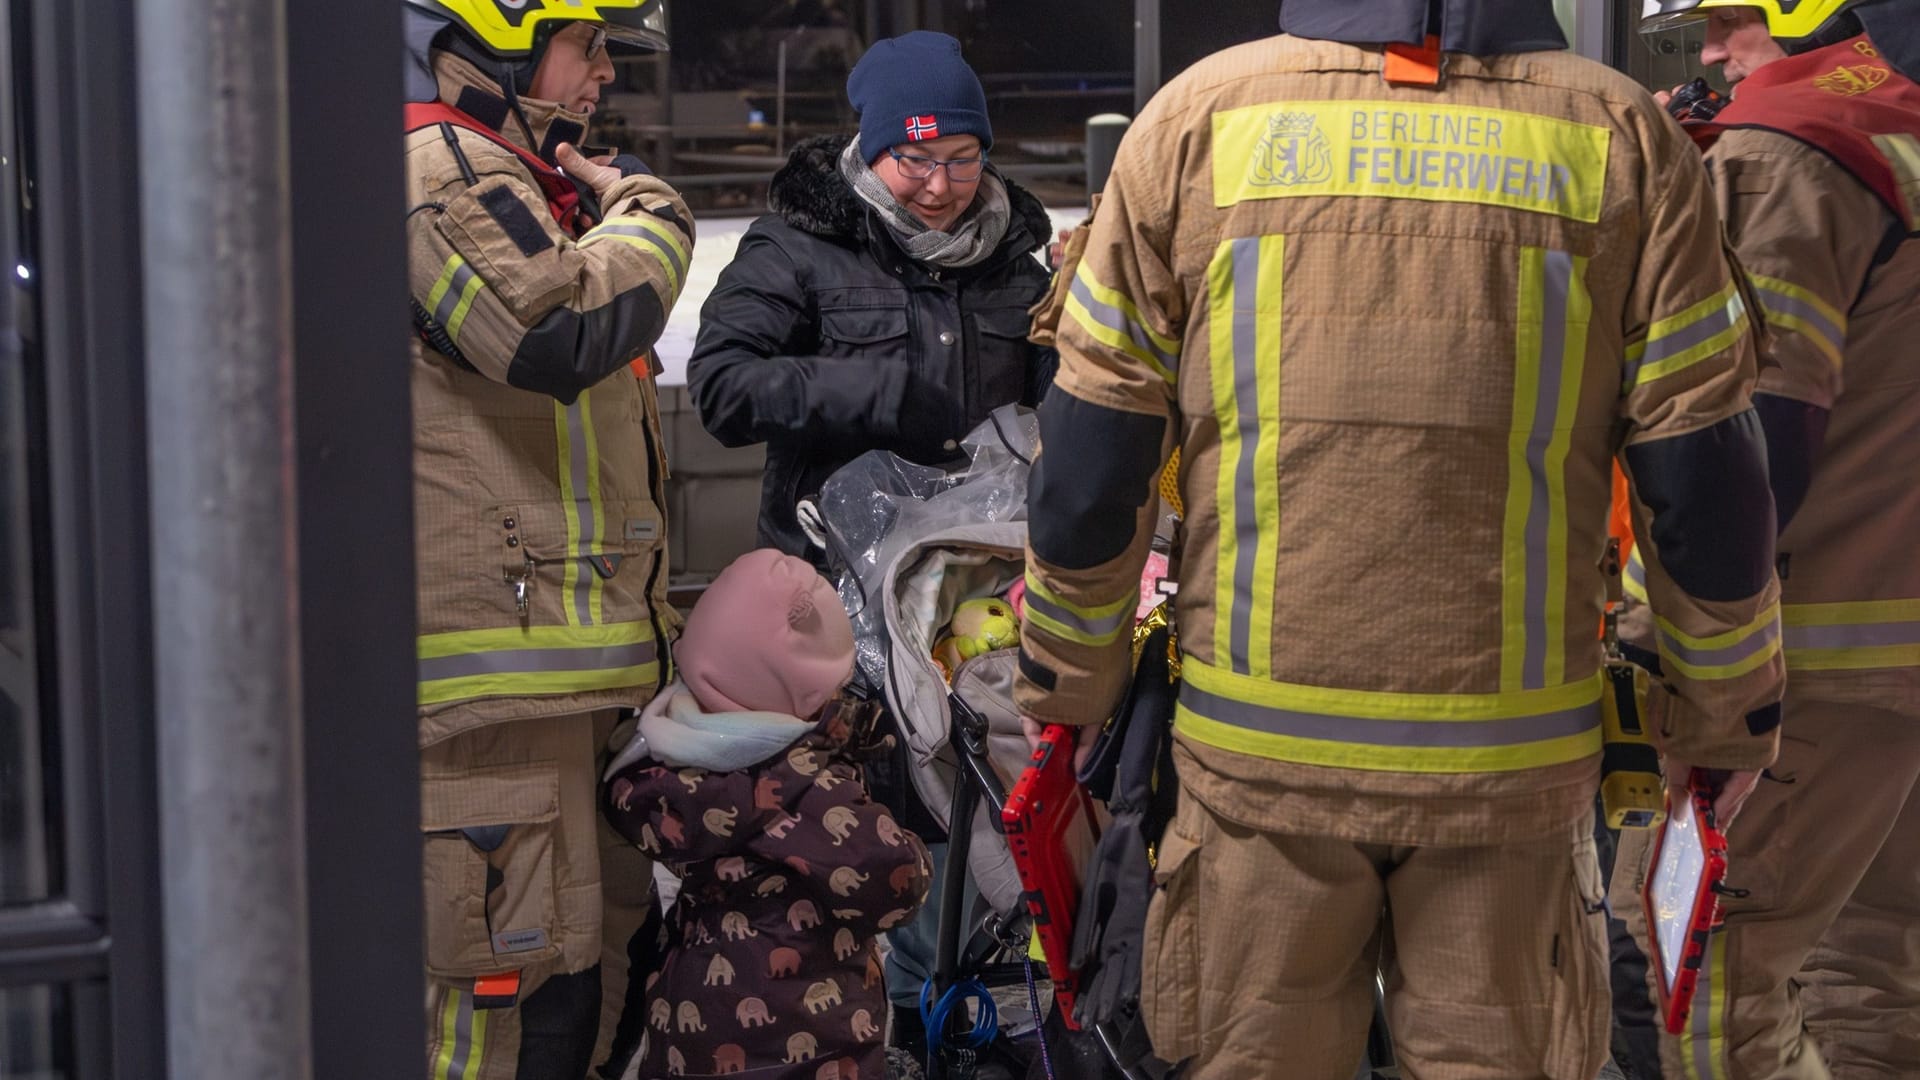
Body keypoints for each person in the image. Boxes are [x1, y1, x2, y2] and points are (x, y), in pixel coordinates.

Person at [1012, 0, 1789, 1076]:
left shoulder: (1195, 119)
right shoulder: (1621, 137)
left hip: (1259, 767)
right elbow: (1704, 473)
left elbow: (1094, 462)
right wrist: (1727, 714)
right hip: (1510, 771)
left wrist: (1067, 687)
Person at [1616, 2, 1920, 1076]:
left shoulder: (1788, 147)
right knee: (1877, 977)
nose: (1705, 52)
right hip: (1892, 662)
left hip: (1811, 673)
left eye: (1729, 19)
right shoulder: (1892, 125)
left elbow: (1749, 444)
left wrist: (1674, 643)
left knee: (1706, 982)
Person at [401, 2, 695, 1076]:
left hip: (546, 709)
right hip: (486, 725)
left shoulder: (510, 180)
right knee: (499, 1028)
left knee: (578, 995)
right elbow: (552, 328)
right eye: (588, 46)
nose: (604, 76)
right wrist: (654, 211)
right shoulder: (443, 169)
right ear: (493, 44)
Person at [686, 30, 1057, 562]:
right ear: (874, 151)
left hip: (976, 571)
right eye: (916, 160)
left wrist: (1083, 310)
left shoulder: (1012, 256)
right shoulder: (798, 245)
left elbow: (1060, 393)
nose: (939, 186)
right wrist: (871, 388)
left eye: (963, 159)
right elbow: (721, 389)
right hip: (832, 577)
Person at [602, 549, 933, 1080]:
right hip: (812, 1043)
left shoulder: (663, 766)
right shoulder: (812, 791)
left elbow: (622, 803)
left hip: (692, 1038)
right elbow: (894, 886)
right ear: (808, 693)